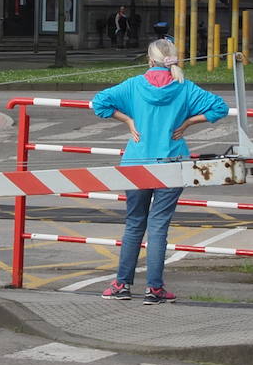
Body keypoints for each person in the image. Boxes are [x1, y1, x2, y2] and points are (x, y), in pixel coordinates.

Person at [91, 37, 227, 303]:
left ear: (149, 59)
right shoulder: (184, 87)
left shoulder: (133, 85)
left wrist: (128, 119)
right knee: (159, 226)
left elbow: (99, 103)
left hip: (136, 163)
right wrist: (188, 122)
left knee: (134, 224)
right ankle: (154, 289)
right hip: (172, 163)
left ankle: (122, 285)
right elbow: (219, 108)